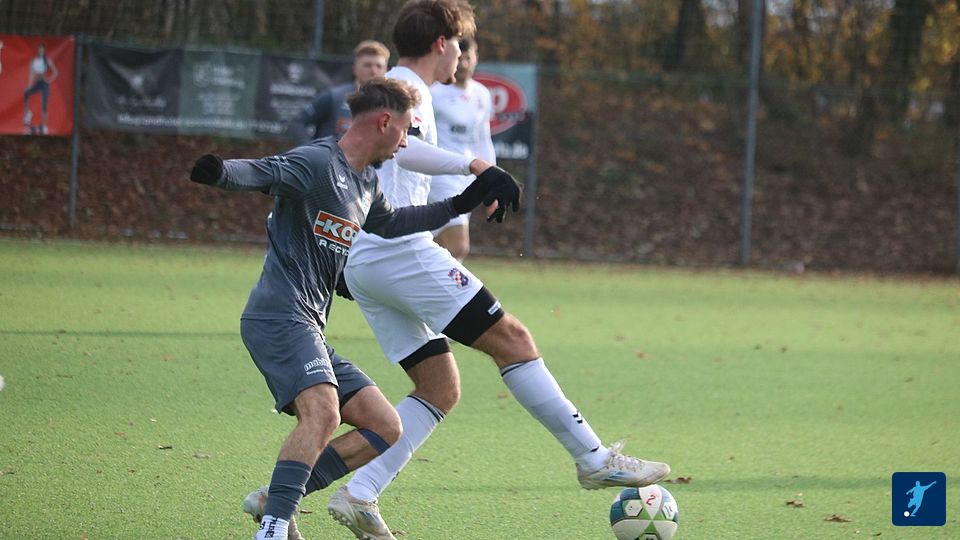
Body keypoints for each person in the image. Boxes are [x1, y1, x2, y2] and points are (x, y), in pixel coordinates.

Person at [328, 2, 671, 539]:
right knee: (513, 339)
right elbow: (400, 150)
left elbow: (403, 162)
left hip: (371, 258)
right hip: (396, 253)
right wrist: (475, 166)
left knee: (438, 387)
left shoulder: (409, 88)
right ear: (441, 43)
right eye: (460, 43)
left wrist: (473, 186)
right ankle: (593, 458)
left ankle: (359, 492)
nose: (462, 55)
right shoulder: (406, 88)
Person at [188, 77, 520, 540]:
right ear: (384, 122)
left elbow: (395, 222)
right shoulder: (318, 162)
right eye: (406, 130)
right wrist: (220, 172)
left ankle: (275, 502)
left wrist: (463, 201)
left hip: (308, 325)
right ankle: (273, 528)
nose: (406, 141)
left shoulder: (365, 182)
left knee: (385, 425)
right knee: (323, 414)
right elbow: (267, 171)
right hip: (278, 317)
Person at [428, 36, 495, 260]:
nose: (464, 64)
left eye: (469, 58)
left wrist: (492, 179)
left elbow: (483, 139)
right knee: (459, 246)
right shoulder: (434, 93)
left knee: (438, 248)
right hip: (440, 177)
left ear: (476, 58)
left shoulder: (482, 94)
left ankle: (421, 279)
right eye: (460, 59)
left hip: (466, 176)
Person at [286, 40, 391, 144]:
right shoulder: (335, 97)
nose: (373, 71)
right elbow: (297, 122)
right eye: (367, 65)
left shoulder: (390, 103)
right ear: (355, 69)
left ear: (386, 70)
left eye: (379, 66)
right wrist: (309, 149)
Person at [23, 42, 58, 135]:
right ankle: (27, 114)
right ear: (37, 51)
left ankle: (44, 125)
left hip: (44, 84)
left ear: (44, 51)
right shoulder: (33, 61)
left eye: (42, 50)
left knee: (44, 104)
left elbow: (55, 72)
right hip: (37, 83)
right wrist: (29, 85)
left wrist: (49, 80)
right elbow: (31, 75)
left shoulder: (47, 60)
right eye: (39, 50)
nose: (40, 52)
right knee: (26, 93)